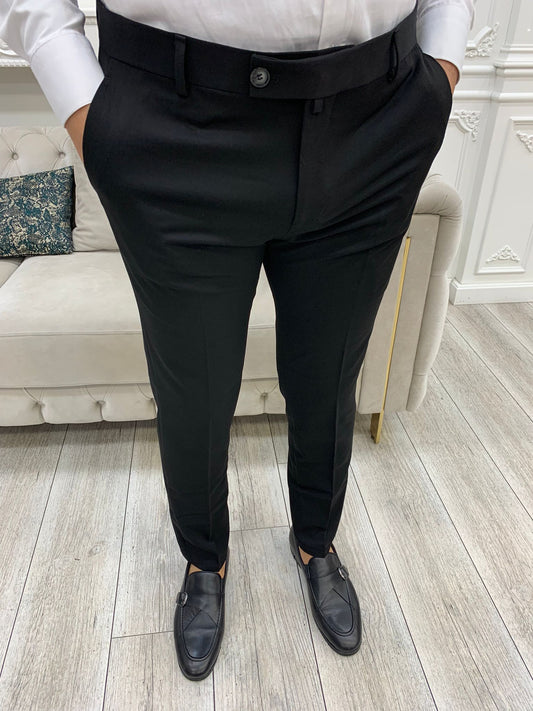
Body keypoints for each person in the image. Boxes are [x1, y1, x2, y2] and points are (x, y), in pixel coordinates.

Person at [0, 0, 475, 682]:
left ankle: (316, 542)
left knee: (330, 375)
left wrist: (440, 75)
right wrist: (90, 119)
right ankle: (204, 558)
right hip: (172, 128)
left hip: (375, 121)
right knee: (193, 391)